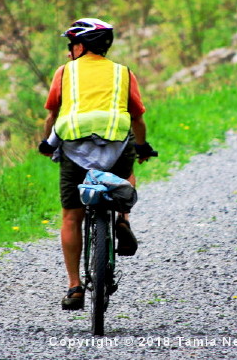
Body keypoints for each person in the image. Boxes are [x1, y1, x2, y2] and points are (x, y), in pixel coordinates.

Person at [39, 18, 157, 311]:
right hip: (116, 142)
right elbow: (137, 118)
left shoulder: (64, 73)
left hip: (75, 146)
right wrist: (142, 146)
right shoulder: (123, 73)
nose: (69, 52)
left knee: (70, 216)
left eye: (71, 46)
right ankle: (122, 219)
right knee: (126, 170)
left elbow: (52, 116)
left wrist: (45, 143)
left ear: (80, 46)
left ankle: (74, 286)